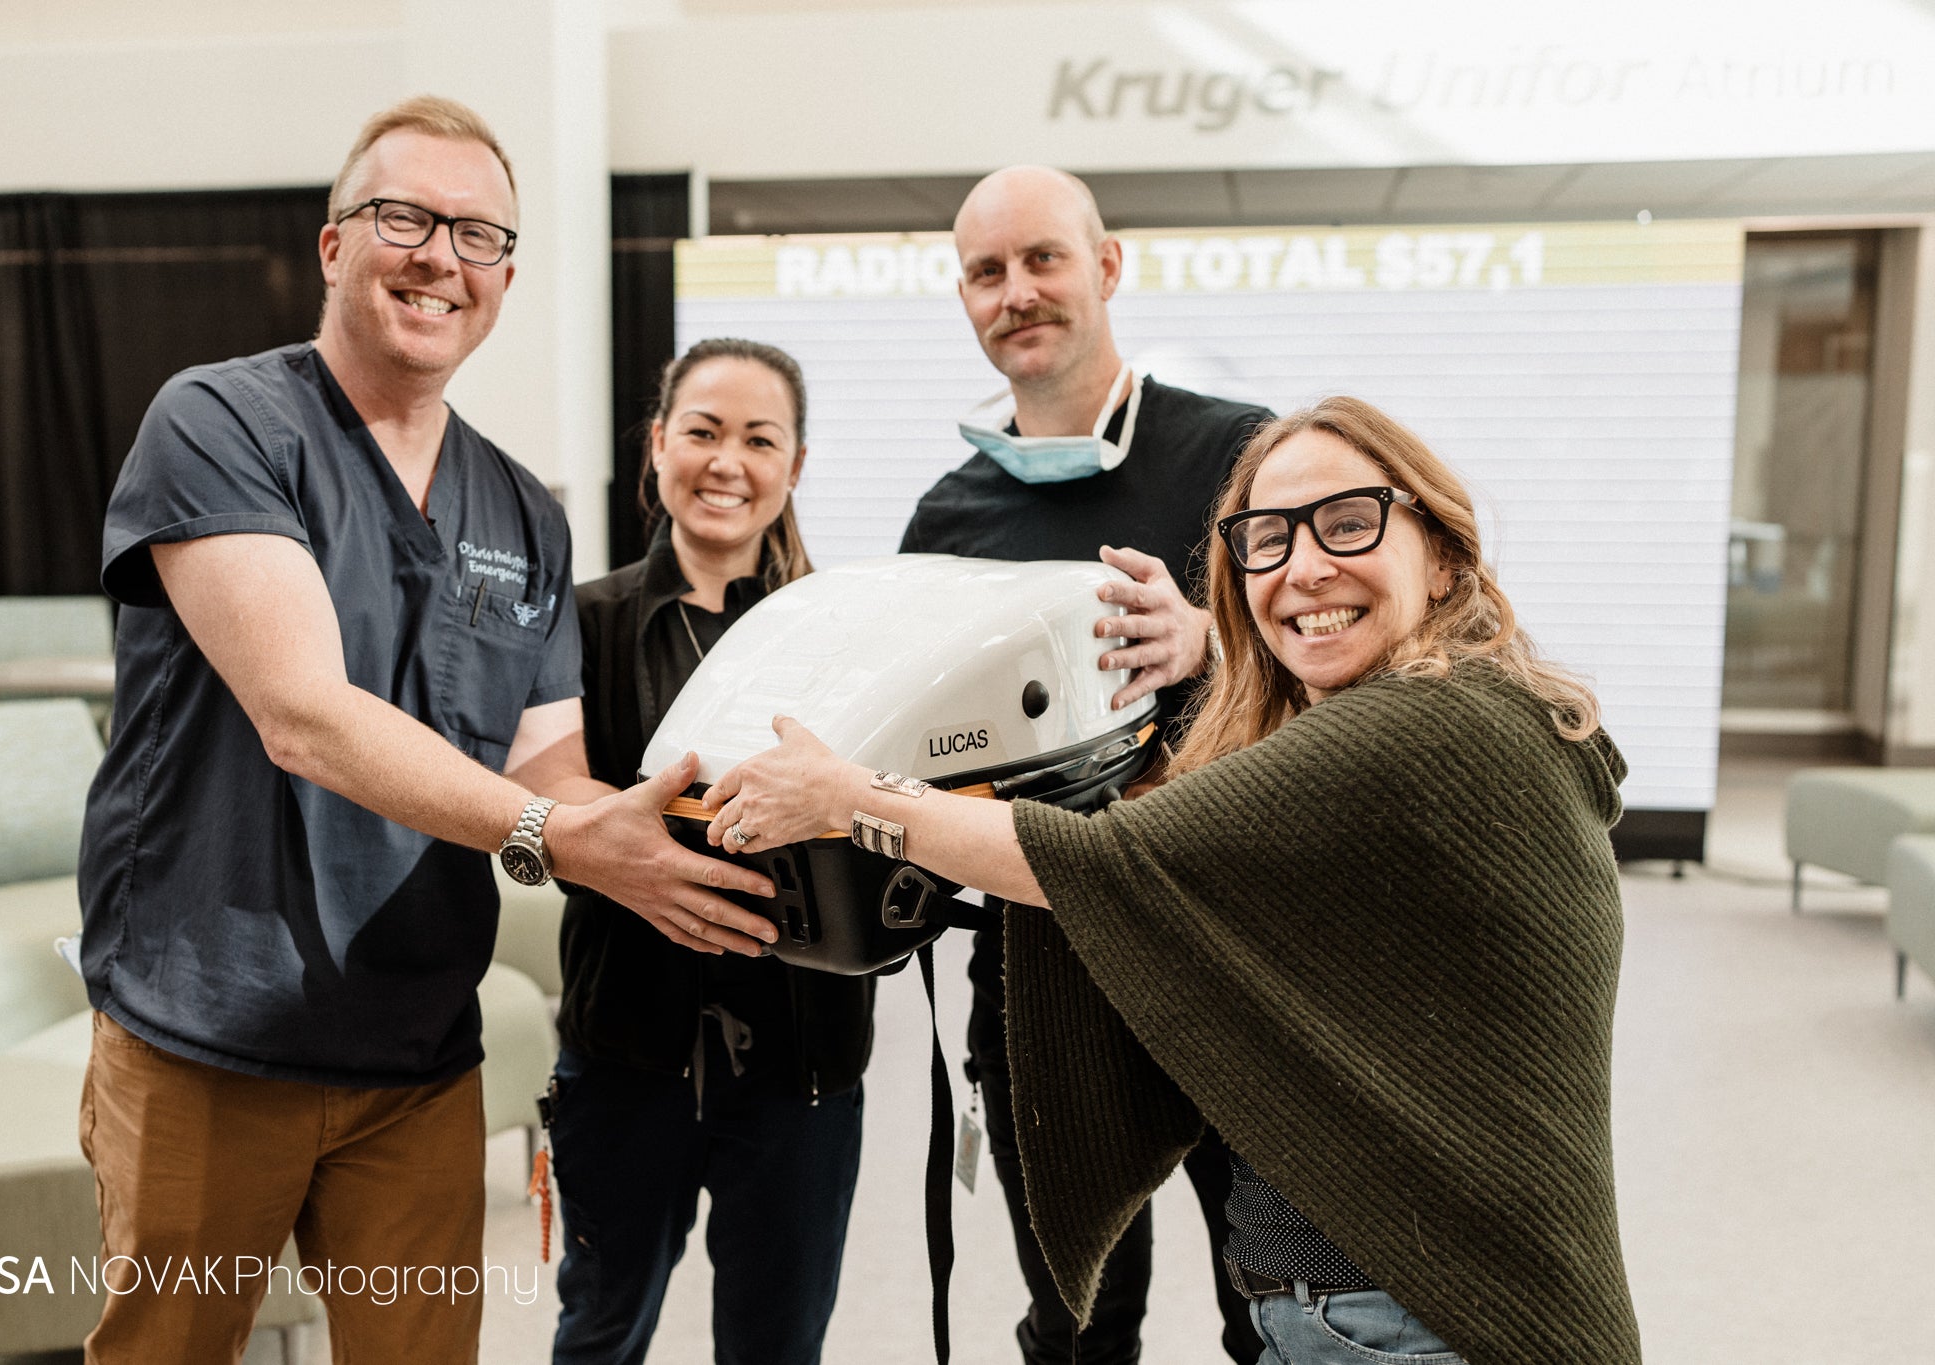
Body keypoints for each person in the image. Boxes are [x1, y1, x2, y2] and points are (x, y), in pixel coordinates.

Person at [699, 396, 1643, 1365]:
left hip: (1405, 1329)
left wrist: (845, 796)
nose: (1303, 567)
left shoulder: (1415, 731)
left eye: (1349, 522)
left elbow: (1103, 864)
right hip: (1412, 1310)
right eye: (1265, 541)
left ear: (1441, 553)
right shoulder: (1474, 715)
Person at [74, 98, 777, 1365]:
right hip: (208, 1031)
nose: (439, 256)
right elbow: (305, 718)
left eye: (478, 235)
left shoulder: (522, 510)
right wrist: (560, 833)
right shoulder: (221, 424)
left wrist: (672, 820)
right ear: (336, 243)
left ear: (505, 277)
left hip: (415, 1051)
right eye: (404, 217)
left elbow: (543, 762)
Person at [897, 163, 1272, 1364]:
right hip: (1039, 975)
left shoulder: (1242, 460)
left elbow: (1353, 682)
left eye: (1042, 258)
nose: (1017, 292)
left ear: (1106, 268)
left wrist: (1211, 643)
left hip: (1227, 963)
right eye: (985, 272)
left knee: (1263, 1311)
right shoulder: (945, 520)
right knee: (1073, 1320)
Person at [541, 338, 867, 1365]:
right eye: (702, 432)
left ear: (795, 467)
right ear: (656, 445)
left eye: (758, 439)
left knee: (777, 1346)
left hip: (800, 1061)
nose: (727, 462)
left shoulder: (847, 635)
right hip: (625, 1049)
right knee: (600, 1328)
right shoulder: (579, 624)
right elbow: (536, 810)